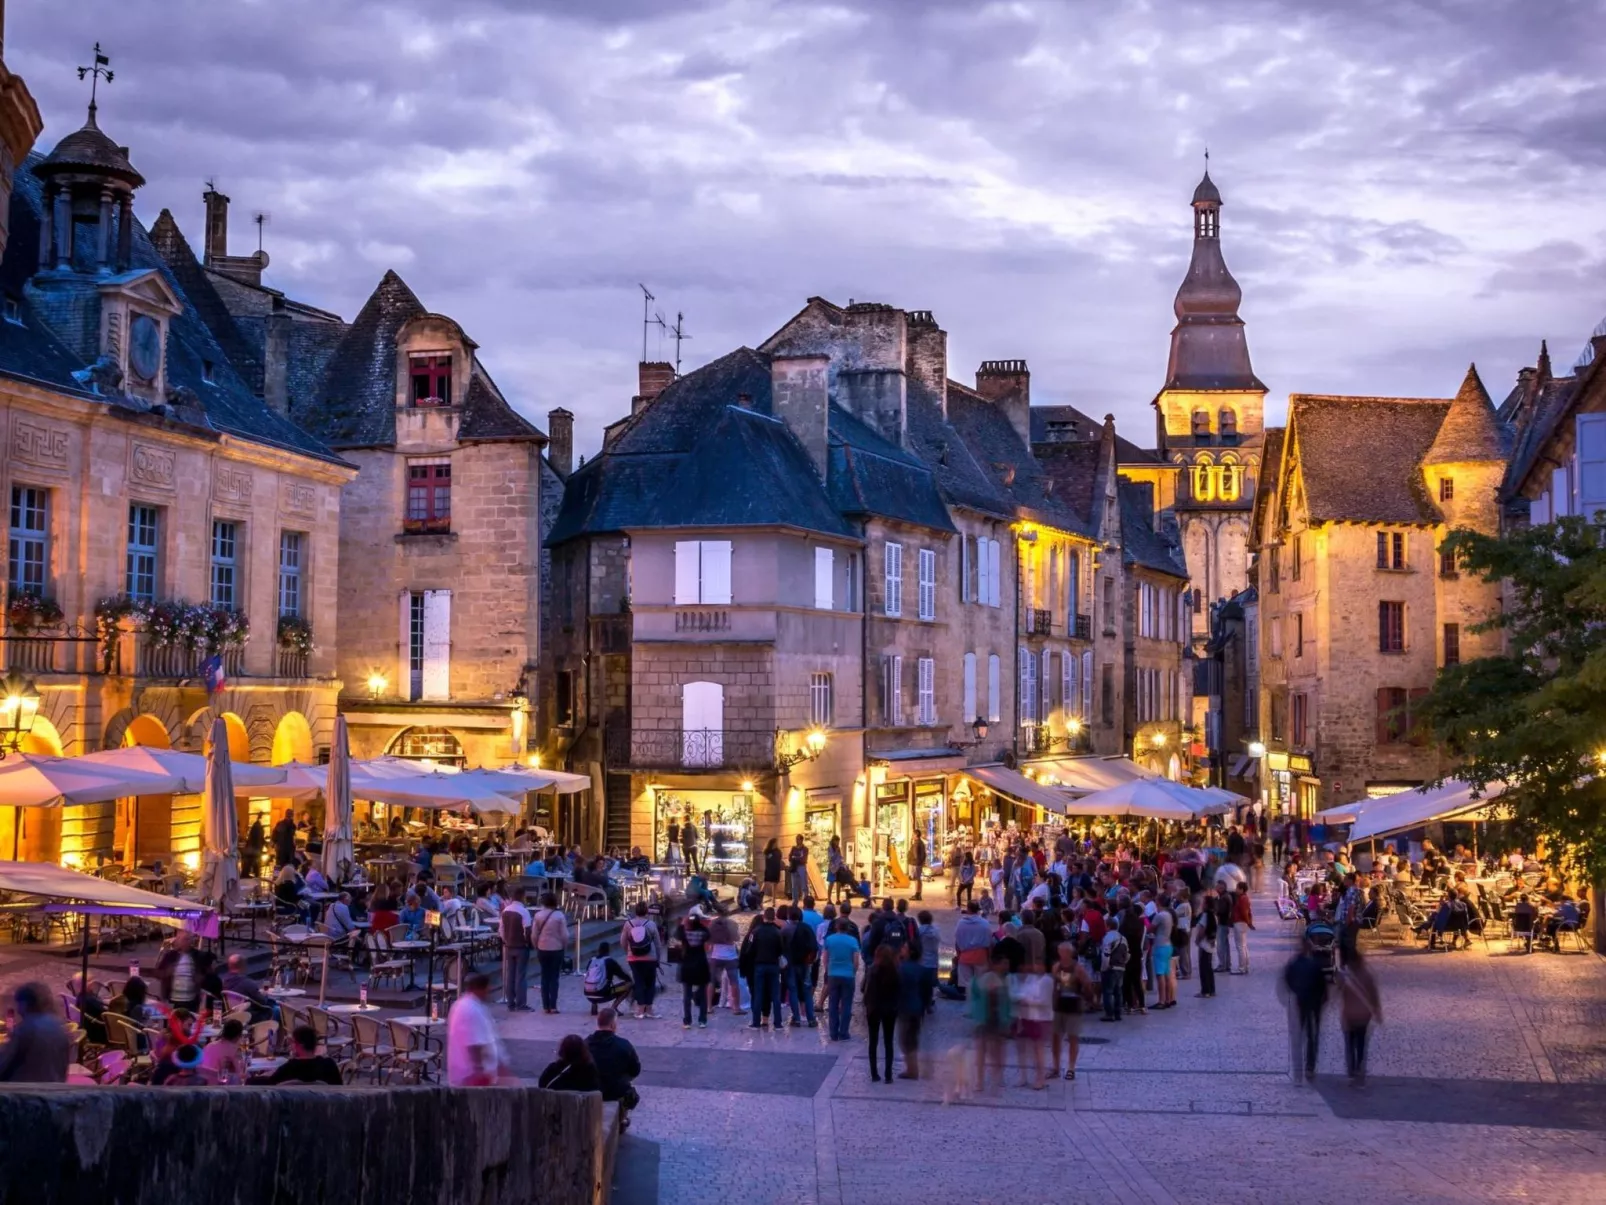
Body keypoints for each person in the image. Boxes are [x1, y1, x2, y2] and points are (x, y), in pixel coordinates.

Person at [1279, 937, 1329, 1085]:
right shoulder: (1315, 964)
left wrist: (1296, 991)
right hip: (1314, 1004)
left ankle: (1299, 1069)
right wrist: (1322, 999)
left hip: (1301, 1002)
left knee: (1299, 1036)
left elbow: (1287, 979)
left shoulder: (1294, 964)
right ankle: (1310, 1066)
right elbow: (1323, 986)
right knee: (1312, 1035)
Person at [447, 973, 510, 1086]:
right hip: (473, 1076)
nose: (489, 991)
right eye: (487, 988)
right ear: (481, 989)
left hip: (466, 1073)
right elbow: (475, 1044)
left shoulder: (461, 1005)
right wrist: (480, 1071)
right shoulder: (472, 1009)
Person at [0, 983, 69, 1083]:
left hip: (24, 1092)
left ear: (25, 1003)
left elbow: (4, 1065)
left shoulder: (26, 1028)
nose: (18, 1010)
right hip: (55, 1090)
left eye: (18, 1004)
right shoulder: (58, 1026)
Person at [585, 1008, 642, 1126]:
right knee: (627, 1089)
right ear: (613, 1025)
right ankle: (621, 1117)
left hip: (590, 1087)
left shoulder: (585, 1044)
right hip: (614, 1090)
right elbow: (635, 1069)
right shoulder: (624, 1045)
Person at [1337, 944, 1382, 1087]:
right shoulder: (1367, 976)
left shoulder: (1345, 977)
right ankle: (1359, 1068)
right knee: (1361, 1043)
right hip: (1364, 1015)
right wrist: (1377, 1011)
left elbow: (1339, 992)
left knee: (1349, 1044)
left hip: (1349, 1015)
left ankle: (1351, 1070)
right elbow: (1374, 995)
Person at [967, 953, 1013, 1093]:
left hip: (996, 1019)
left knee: (996, 1051)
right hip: (985, 1018)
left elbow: (1009, 1002)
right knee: (984, 1050)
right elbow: (974, 998)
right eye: (1004, 963)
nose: (1006, 966)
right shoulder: (984, 979)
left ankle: (995, 1079)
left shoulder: (1005, 979)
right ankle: (982, 1081)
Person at [1050, 942, 1093, 1080]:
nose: (1063, 955)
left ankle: (1071, 1068)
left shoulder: (1078, 969)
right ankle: (1056, 1067)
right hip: (1060, 1005)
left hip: (1074, 1005)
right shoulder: (1056, 967)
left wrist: (1087, 998)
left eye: (1065, 952)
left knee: (1073, 1037)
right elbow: (1054, 985)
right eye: (1061, 951)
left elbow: (1087, 984)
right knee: (1056, 1037)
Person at [1010, 952, 1052, 1090]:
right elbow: (1023, 991)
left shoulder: (1047, 981)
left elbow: (1044, 1001)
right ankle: (1023, 1076)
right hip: (1026, 1017)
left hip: (1040, 1019)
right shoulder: (1031, 979)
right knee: (1021, 1048)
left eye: (1039, 964)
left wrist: (1027, 1001)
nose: (1035, 966)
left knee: (1037, 1049)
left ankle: (1040, 1078)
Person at [863, 944, 901, 1083]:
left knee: (873, 1042)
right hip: (890, 1009)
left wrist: (867, 1004)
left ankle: (874, 1074)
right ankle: (888, 1075)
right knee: (888, 1042)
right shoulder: (896, 971)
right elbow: (898, 992)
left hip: (874, 1009)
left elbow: (865, 989)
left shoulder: (872, 970)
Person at [743, 908, 785, 1029]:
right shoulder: (778, 932)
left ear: (764, 917)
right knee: (775, 995)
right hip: (773, 965)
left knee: (758, 993)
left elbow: (749, 950)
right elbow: (781, 950)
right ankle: (778, 1023)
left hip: (759, 965)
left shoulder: (755, 932)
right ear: (774, 918)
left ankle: (756, 1022)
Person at [620, 902, 664, 1020]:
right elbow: (658, 944)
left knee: (638, 982)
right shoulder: (651, 924)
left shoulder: (628, 924)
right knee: (650, 984)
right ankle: (649, 1009)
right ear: (646, 912)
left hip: (633, 959)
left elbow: (623, 942)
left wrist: (628, 952)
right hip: (650, 958)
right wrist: (658, 959)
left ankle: (640, 1010)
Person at [531, 891, 570, 1015]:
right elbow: (565, 935)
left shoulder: (538, 916)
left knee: (544, 977)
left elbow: (534, 934)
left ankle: (545, 1005)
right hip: (556, 948)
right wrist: (564, 946)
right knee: (554, 977)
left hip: (542, 948)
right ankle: (553, 1005)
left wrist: (536, 945)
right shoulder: (559, 916)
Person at [823, 918, 860, 1041]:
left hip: (833, 974)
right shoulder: (853, 941)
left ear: (836, 927)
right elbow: (856, 960)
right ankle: (844, 1032)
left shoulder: (829, 940)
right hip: (848, 975)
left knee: (833, 1004)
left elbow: (825, 958)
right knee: (847, 1004)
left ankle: (833, 1033)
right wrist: (853, 972)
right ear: (848, 928)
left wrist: (828, 971)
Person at [267, 1025, 344, 1085]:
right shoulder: (328, 1065)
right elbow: (339, 1088)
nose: (291, 1046)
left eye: (292, 1042)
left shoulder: (289, 1068)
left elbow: (269, 1084)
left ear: (300, 1045)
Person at [783, 905, 819, 1028]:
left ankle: (796, 1018)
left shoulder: (785, 929)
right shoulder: (807, 928)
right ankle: (811, 1019)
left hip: (791, 964)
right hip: (805, 964)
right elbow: (815, 946)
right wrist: (810, 960)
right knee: (807, 991)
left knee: (793, 991)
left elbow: (780, 948)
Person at [676, 908, 712, 1028]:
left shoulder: (684, 932)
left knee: (687, 995)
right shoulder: (702, 932)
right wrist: (699, 923)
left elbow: (677, 934)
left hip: (687, 966)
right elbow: (708, 934)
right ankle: (702, 1020)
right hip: (701, 965)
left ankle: (687, 1021)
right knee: (702, 994)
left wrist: (684, 923)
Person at [707, 912, 748, 1015]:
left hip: (716, 956)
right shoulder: (731, 925)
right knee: (734, 982)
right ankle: (736, 1008)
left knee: (710, 982)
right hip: (730, 957)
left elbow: (708, 941)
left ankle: (708, 1007)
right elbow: (737, 938)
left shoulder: (712, 926)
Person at [500, 886, 533, 1013]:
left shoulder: (505, 911)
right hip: (521, 946)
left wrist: (506, 940)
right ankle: (521, 1003)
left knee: (510, 975)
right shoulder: (524, 911)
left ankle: (510, 1003)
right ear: (522, 897)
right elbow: (527, 930)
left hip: (509, 946)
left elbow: (501, 929)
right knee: (521, 976)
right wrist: (527, 942)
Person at [896, 943, 925, 1079]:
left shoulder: (902, 968)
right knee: (912, 1038)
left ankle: (912, 1070)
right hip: (917, 1007)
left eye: (904, 947)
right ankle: (913, 1068)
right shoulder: (921, 969)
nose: (901, 948)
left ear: (910, 952)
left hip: (905, 1008)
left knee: (905, 1040)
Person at [582, 941, 634, 1013]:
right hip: (602, 993)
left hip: (588, 994)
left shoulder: (592, 960)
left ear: (599, 950)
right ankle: (613, 1008)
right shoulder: (609, 961)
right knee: (629, 984)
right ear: (609, 950)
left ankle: (594, 1005)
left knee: (595, 982)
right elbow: (623, 975)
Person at [200, 1018, 247, 1084]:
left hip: (205, 1085)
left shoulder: (209, 1046)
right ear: (238, 1035)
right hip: (222, 1087)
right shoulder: (234, 1050)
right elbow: (241, 1076)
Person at [1194, 889, 1219, 999]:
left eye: (1203, 903)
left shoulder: (1205, 916)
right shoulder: (1213, 915)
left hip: (1204, 944)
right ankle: (1211, 989)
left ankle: (1205, 991)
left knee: (1203, 968)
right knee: (1209, 968)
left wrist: (1197, 940)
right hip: (1211, 943)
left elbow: (1202, 930)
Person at [915, 909, 941, 1014]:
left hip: (921, 961)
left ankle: (922, 1003)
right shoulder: (936, 930)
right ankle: (928, 1004)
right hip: (933, 962)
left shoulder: (919, 931)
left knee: (921, 984)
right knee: (930, 985)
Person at [1230, 882, 1254, 973]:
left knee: (1240, 946)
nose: (1236, 890)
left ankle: (1241, 968)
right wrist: (1249, 922)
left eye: (1237, 888)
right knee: (1243, 946)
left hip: (1240, 923)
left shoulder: (1242, 899)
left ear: (1241, 889)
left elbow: (1244, 912)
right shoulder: (1244, 898)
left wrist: (1248, 922)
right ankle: (1246, 966)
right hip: (1242, 923)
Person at [787, 834, 810, 904]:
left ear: (801, 840)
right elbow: (790, 857)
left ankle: (806, 901)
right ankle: (795, 901)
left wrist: (795, 858)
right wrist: (796, 858)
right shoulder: (793, 848)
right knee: (794, 885)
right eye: (796, 839)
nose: (796, 840)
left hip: (801, 867)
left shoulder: (805, 849)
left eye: (798, 839)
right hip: (794, 867)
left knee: (804, 884)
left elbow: (804, 859)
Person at [827, 835, 848, 905]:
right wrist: (836, 852)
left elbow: (840, 857)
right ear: (833, 841)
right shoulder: (830, 848)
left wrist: (843, 864)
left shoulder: (838, 848)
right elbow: (831, 858)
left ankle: (838, 899)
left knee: (838, 883)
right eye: (837, 841)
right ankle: (829, 899)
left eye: (838, 841)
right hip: (832, 868)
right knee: (831, 883)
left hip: (838, 867)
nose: (838, 843)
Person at [762, 838, 784, 904]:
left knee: (775, 885)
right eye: (776, 843)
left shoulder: (778, 851)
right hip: (769, 869)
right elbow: (767, 859)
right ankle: (759, 898)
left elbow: (779, 859)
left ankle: (773, 901)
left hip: (776, 870)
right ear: (773, 843)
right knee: (765, 883)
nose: (777, 844)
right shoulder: (767, 851)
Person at [910, 831, 927, 901]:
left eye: (913, 834)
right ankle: (918, 894)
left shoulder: (917, 843)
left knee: (916, 879)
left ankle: (917, 894)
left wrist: (915, 860)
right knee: (918, 879)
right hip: (919, 863)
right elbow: (924, 854)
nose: (912, 836)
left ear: (916, 835)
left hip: (916, 864)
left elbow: (915, 854)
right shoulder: (921, 843)